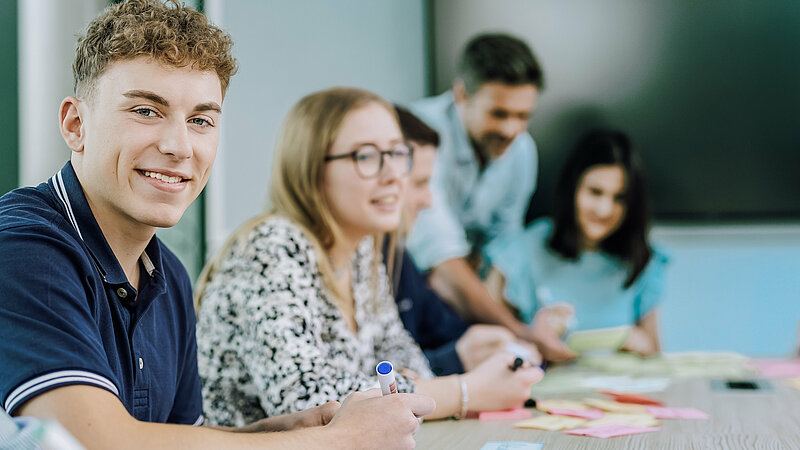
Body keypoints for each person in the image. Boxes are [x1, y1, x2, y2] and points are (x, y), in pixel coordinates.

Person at [0, 1, 433, 448]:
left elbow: (174, 441)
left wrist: (283, 431)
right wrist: (341, 440)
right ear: (75, 125)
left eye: (200, 120)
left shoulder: (166, 274)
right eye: (146, 111)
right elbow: (93, 441)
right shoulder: (23, 248)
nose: (179, 146)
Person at [195, 88, 543, 426]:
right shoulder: (270, 247)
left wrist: (403, 389)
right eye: (366, 156)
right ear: (311, 169)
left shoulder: (362, 249)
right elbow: (310, 404)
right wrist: (466, 391)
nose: (395, 175)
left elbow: (403, 358)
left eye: (396, 153)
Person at [407, 33, 545, 344]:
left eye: (523, 116)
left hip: (471, 298)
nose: (512, 130)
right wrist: (518, 333)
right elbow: (440, 260)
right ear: (461, 95)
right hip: (412, 294)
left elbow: (505, 243)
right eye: (499, 114)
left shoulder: (522, 150)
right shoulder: (420, 134)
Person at [484, 129, 669, 359]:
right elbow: (485, 345)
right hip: (541, 388)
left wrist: (643, 345)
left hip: (620, 390)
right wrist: (530, 339)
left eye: (619, 198)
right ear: (573, 188)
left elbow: (655, 355)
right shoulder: (522, 251)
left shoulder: (642, 260)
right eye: (595, 192)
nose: (604, 210)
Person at [389, 105, 541, 376]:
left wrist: (501, 344)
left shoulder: (400, 262)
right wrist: (456, 361)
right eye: (420, 183)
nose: (428, 201)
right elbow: (370, 381)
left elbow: (445, 332)